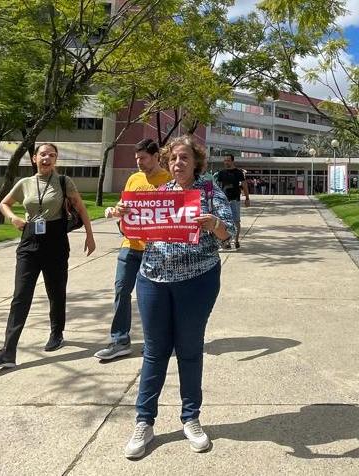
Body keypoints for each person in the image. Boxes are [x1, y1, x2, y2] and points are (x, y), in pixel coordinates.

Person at [111, 135, 234, 459]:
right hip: (153, 279)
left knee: (189, 349)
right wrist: (124, 216)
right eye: (173, 159)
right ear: (167, 163)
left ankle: (190, 418)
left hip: (197, 281)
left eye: (184, 158)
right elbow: (135, 233)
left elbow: (229, 232)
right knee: (154, 351)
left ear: (196, 163)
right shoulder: (158, 196)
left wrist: (214, 223)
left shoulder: (207, 192)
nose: (178, 163)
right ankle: (144, 422)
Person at [0, 143, 96, 369]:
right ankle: (8, 351)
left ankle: (56, 334)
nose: (47, 158)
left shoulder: (64, 181)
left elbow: (80, 208)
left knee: (56, 291)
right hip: (29, 241)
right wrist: (13, 217)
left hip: (55, 242)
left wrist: (90, 236)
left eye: (52, 155)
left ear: (56, 160)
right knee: (21, 295)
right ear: (34, 158)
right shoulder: (25, 184)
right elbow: (4, 203)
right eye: (43, 155)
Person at [94, 139, 171, 361]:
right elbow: (122, 205)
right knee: (121, 291)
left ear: (156, 156)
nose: (139, 162)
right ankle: (119, 340)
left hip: (156, 250)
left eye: (143, 158)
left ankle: (154, 342)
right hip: (130, 246)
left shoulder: (168, 180)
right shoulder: (133, 179)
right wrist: (117, 210)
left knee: (153, 297)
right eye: (136, 158)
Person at [214, 154, 249, 249]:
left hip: (235, 200)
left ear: (232, 161)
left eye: (228, 160)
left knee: (236, 221)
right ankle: (226, 241)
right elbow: (218, 187)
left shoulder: (238, 172)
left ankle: (236, 240)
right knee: (224, 222)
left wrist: (247, 198)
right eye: (225, 160)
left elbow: (244, 185)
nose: (226, 162)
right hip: (223, 201)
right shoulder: (221, 173)